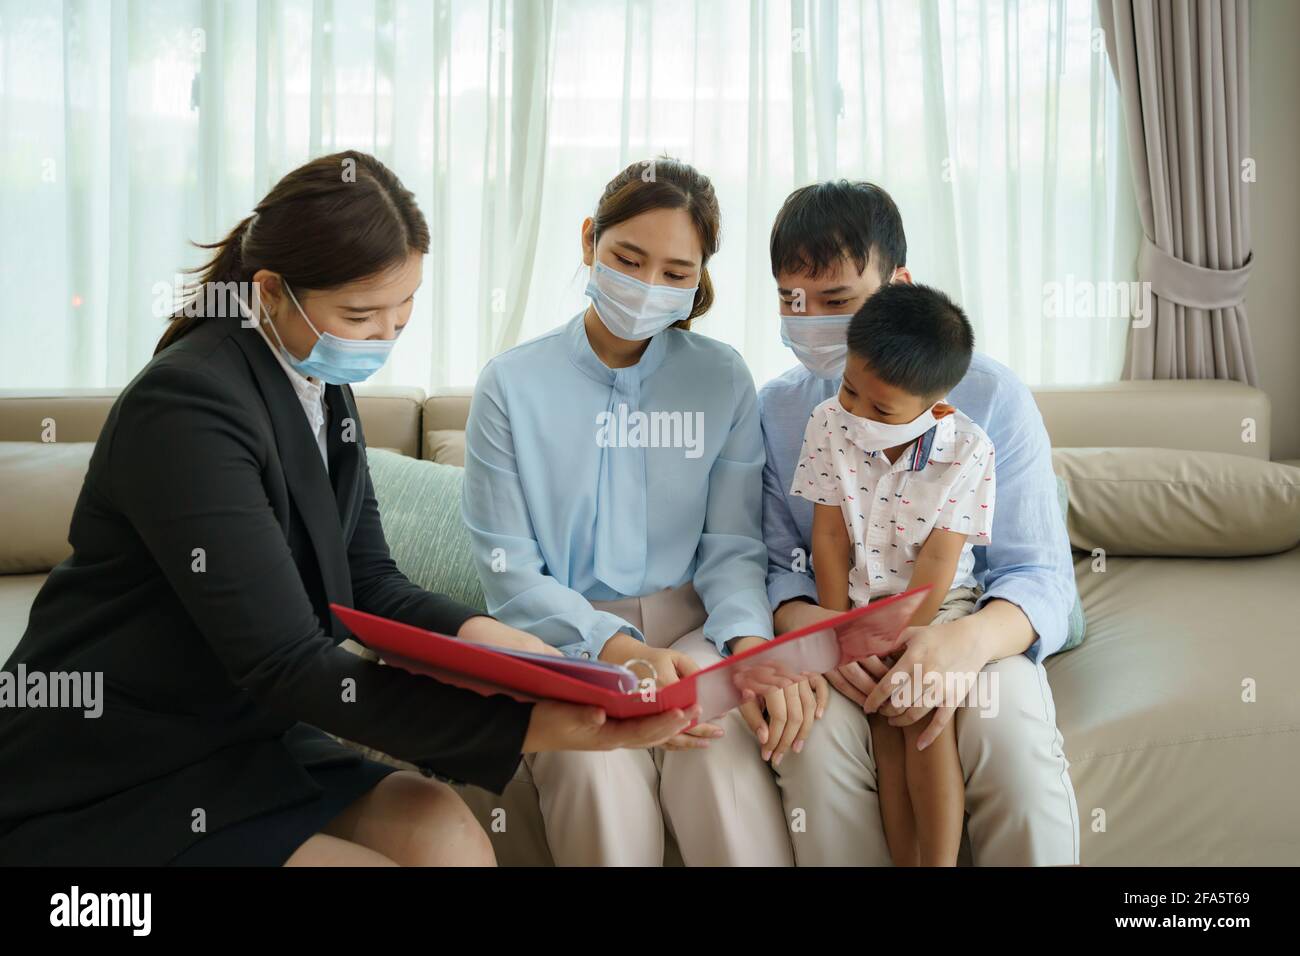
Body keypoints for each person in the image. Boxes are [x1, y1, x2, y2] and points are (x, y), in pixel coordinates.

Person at [0, 151, 697, 867]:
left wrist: (518, 651)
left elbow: (369, 580)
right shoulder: (188, 406)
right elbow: (286, 661)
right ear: (271, 290)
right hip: (119, 759)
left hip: (240, 740)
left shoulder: (316, 384)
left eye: (404, 310)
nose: (384, 338)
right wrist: (536, 725)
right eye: (361, 315)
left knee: (445, 830)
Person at [461, 157, 817, 866]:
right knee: (592, 773)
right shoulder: (511, 384)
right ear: (589, 238)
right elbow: (511, 577)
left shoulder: (721, 377)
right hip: (566, 647)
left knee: (720, 770)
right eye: (629, 257)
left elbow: (733, 547)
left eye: (676, 272)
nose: (649, 285)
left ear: (699, 280)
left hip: (695, 636)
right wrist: (622, 656)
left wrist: (749, 649)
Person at [761, 180, 1080, 866]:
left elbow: (1038, 575)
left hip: (962, 620)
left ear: (898, 284)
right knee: (814, 750)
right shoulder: (783, 413)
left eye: (838, 301)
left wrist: (958, 645)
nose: (812, 321)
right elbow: (778, 558)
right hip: (841, 620)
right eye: (793, 301)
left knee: (1007, 741)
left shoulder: (988, 403)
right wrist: (817, 626)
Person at [793, 283, 994, 866]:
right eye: (849, 389)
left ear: (936, 407)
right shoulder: (827, 425)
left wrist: (904, 635)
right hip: (857, 605)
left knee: (923, 713)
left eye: (880, 410)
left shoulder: (969, 451)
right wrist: (840, 630)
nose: (857, 413)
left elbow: (940, 560)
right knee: (882, 724)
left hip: (937, 606)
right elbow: (828, 537)